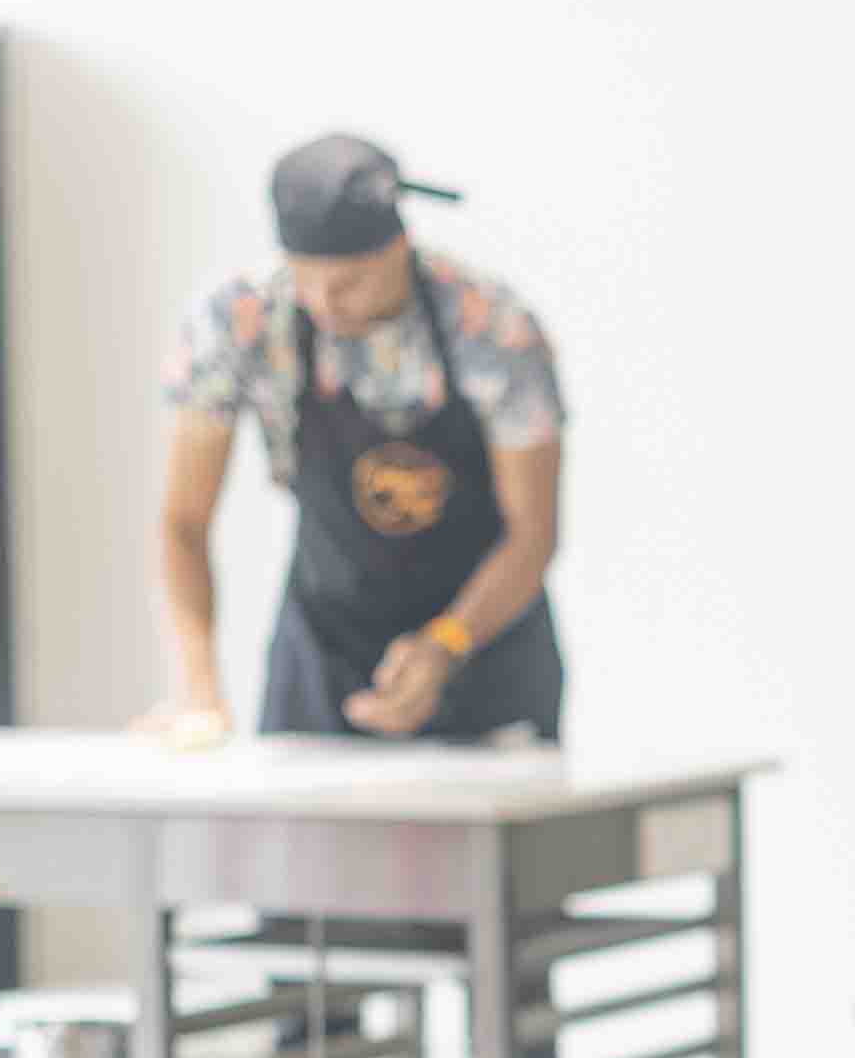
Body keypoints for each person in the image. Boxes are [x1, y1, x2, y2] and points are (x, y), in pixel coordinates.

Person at [153, 136, 566, 744]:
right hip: (324, 652)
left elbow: (532, 533)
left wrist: (445, 645)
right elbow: (183, 523)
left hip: (486, 655)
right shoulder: (238, 324)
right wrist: (199, 689)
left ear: (398, 246)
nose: (324, 303)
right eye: (306, 279)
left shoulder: (493, 327)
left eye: (350, 283)